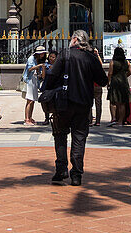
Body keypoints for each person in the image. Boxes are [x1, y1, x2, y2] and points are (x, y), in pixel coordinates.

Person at [44, 30, 107, 186]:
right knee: (79, 138)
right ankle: (76, 174)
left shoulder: (65, 54)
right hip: (84, 104)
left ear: (74, 40)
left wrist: (47, 90)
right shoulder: (90, 57)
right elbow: (103, 80)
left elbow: (51, 76)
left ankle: (61, 169)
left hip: (64, 103)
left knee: (60, 134)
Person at [107, 45, 131, 126]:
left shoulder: (112, 62)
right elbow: (129, 72)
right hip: (124, 83)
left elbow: (110, 73)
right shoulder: (127, 62)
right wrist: (123, 76)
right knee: (122, 103)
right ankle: (120, 121)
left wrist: (108, 83)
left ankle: (113, 118)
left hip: (115, 83)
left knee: (113, 101)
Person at [23, 45, 47, 126]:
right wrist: (39, 66)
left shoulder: (39, 60)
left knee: (33, 101)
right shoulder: (31, 59)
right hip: (29, 80)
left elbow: (41, 75)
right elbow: (30, 69)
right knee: (29, 100)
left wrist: (41, 69)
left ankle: (30, 117)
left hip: (35, 81)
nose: (42, 55)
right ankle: (27, 118)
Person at [40, 51, 58, 122]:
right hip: (46, 86)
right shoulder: (46, 65)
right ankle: (46, 117)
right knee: (45, 101)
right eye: (50, 56)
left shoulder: (58, 66)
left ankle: (55, 116)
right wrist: (44, 69)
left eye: (53, 57)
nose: (51, 58)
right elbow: (43, 77)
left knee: (54, 102)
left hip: (55, 86)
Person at [91, 48, 105, 126]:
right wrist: (97, 54)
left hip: (90, 85)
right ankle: (98, 121)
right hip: (98, 86)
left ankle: (89, 120)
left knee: (89, 103)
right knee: (98, 103)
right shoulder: (98, 67)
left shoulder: (89, 64)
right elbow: (101, 63)